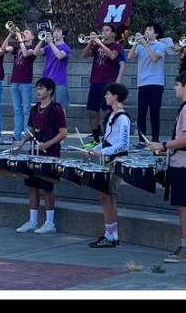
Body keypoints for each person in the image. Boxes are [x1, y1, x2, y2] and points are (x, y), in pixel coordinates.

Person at [149, 73, 186, 263]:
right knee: (183, 206)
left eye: (176, 85)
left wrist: (164, 145)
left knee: (184, 207)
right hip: (184, 161)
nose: (174, 88)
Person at [14, 77, 68, 235]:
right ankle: (32, 220)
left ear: (49, 90)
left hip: (49, 153)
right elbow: (31, 129)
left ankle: (50, 222)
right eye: (37, 88)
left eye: (42, 88)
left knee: (47, 188)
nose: (38, 91)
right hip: (34, 152)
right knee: (32, 186)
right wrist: (22, 142)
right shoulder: (34, 108)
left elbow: (63, 132)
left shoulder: (56, 108)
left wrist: (48, 144)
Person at [84, 82, 131, 248]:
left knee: (107, 196)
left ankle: (111, 235)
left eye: (108, 94)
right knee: (106, 197)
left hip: (116, 161)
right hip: (107, 159)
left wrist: (102, 152)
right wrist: (94, 149)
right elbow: (107, 141)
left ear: (116, 96)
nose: (105, 96)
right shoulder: (112, 115)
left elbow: (123, 145)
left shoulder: (123, 118)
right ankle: (111, 234)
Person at [126, 24, 173, 145]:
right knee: (141, 113)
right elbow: (129, 56)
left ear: (156, 34)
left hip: (156, 83)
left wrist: (145, 44)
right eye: (146, 29)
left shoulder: (161, 46)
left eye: (150, 30)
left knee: (154, 112)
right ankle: (142, 141)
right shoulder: (140, 46)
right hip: (142, 83)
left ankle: (155, 139)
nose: (146, 32)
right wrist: (136, 43)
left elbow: (154, 58)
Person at [81, 25, 125, 143]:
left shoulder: (116, 46)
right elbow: (84, 55)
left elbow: (112, 56)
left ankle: (108, 136)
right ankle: (95, 137)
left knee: (107, 111)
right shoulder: (95, 46)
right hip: (95, 81)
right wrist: (90, 43)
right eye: (103, 30)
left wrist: (100, 43)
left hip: (107, 82)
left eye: (107, 30)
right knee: (92, 111)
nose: (104, 32)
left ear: (113, 34)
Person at [8, 26, 39, 143]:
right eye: (23, 32)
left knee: (26, 109)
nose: (24, 34)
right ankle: (16, 135)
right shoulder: (17, 47)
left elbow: (26, 54)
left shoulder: (33, 48)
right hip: (14, 81)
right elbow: (3, 48)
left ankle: (27, 135)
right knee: (17, 110)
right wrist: (10, 35)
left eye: (27, 32)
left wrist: (20, 39)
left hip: (25, 82)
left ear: (32, 36)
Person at [39, 25, 71, 113]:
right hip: (47, 81)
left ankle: (62, 127)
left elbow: (60, 56)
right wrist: (41, 40)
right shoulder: (48, 47)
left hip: (59, 82)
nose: (55, 33)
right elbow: (36, 52)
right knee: (47, 108)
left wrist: (50, 43)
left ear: (63, 35)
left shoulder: (66, 47)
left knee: (60, 109)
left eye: (58, 31)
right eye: (54, 31)